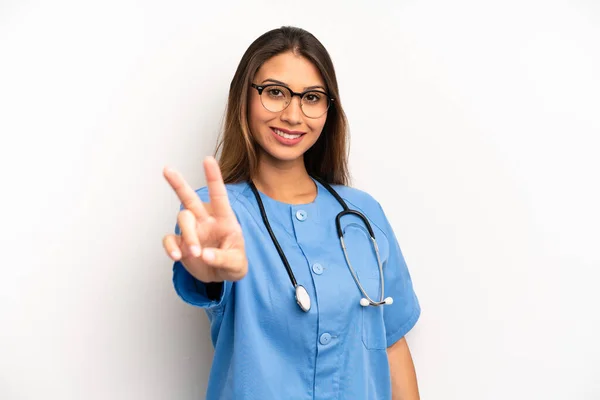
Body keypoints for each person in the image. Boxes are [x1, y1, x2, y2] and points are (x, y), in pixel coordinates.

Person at [162, 26, 421, 400]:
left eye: (312, 98)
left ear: (328, 110)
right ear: (245, 97)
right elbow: (208, 267)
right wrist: (209, 275)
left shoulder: (363, 214)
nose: (293, 114)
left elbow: (391, 342)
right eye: (275, 92)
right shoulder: (217, 214)